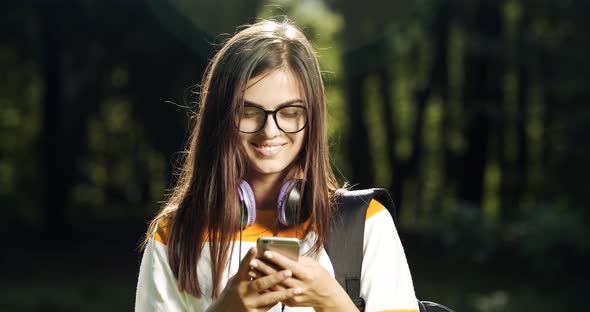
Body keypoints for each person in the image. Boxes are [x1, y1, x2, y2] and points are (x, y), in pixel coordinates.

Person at [135, 18, 419, 312]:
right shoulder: (176, 235)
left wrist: (333, 302)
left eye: (290, 112)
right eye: (248, 111)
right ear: (220, 117)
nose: (270, 130)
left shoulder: (364, 224)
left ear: (313, 119)